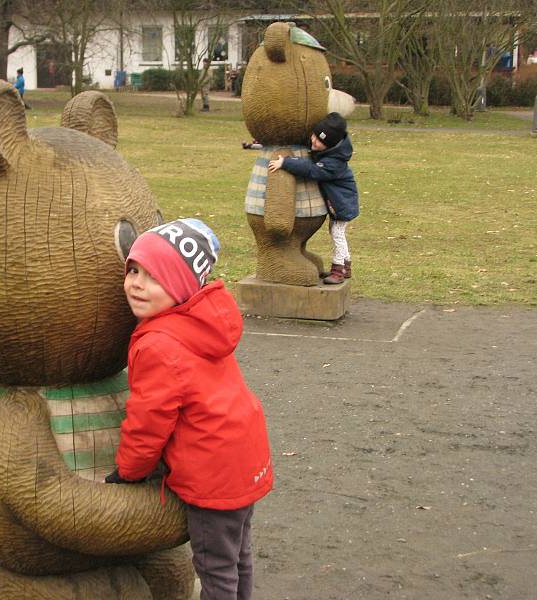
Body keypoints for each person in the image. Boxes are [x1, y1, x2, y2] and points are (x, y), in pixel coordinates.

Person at [106, 218, 273, 600]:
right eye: (133, 270)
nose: (136, 283)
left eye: (154, 277)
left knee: (215, 568)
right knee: (237, 555)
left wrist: (131, 471)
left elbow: (148, 421)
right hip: (244, 457)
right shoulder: (199, 321)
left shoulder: (158, 345)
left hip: (213, 471)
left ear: (180, 287)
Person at [267, 112, 359, 284]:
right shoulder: (331, 154)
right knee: (336, 232)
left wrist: (285, 163)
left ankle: (339, 269)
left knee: (337, 233)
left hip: (343, 205)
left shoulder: (333, 163)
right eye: (314, 137)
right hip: (339, 203)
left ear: (329, 146)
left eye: (320, 141)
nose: (314, 142)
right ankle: (346, 265)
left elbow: (312, 169)